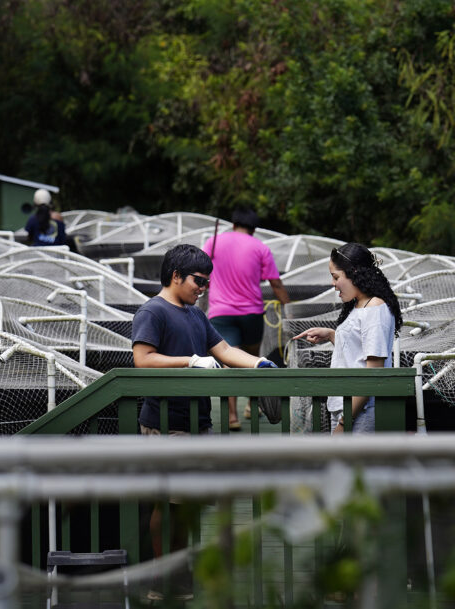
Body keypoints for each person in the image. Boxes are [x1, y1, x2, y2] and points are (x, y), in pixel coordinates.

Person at [131, 243, 277, 599]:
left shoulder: (197, 315)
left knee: (186, 506)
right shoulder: (152, 311)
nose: (204, 287)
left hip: (196, 424)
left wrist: (258, 364)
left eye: (207, 281)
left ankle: (178, 574)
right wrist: (189, 361)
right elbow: (142, 359)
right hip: (165, 425)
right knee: (166, 504)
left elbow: (224, 351)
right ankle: (162, 578)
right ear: (176, 276)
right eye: (198, 280)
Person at [293, 242, 402, 434]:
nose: (333, 284)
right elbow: (358, 352)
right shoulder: (359, 305)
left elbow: (373, 373)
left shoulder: (375, 309)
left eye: (336, 277)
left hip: (362, 411)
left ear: (354, 273)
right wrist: (331, 335)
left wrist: (345, 423)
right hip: (346, 406)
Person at [201, 208, 290, 430]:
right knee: (252, 359)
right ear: (254, 228)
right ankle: (252, 405)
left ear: (234, 223)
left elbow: (202, 274)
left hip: (221, 313)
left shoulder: (212, 243)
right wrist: (289, 310)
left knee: (229, 361)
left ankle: (232, 416)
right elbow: (276, 284)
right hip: (251, 313)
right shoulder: (260, 247)